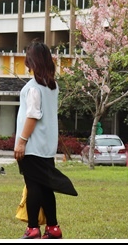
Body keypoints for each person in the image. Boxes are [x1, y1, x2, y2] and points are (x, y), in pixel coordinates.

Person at [15, 40, 77, 239]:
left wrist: (22, 141)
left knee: (33, 186)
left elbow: (33, 116)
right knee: (45, 187)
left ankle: (33, 228)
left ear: (31, 62)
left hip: (32, 146)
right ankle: (53, 227)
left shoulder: (33, 88)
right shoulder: (52, 86)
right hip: (47, 146)